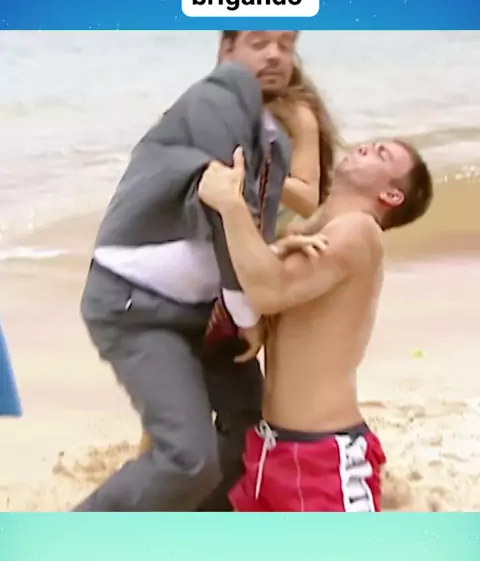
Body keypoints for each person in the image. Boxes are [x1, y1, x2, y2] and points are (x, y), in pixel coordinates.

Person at [75, 31, 335, 512]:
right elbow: (214, 209)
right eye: (259, 43)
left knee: (246, 429)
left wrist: (269, 246)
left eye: (285, 44)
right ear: (226, 51)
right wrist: (249, 311)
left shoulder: (281, 123)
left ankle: (197, 518)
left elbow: (257, 216)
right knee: (186, 452)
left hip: (213, 298)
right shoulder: (211, 108)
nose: (275, 54)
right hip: (149, 300)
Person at [198, 139, 434, 511]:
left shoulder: (360, 231)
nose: (366, 148)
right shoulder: (308, 232)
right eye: (372, 144)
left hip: (323, 454)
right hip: (271, 447)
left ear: (391, 195)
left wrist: (230, 204)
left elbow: (269, 290)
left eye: (382, 154)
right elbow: (266, 306)